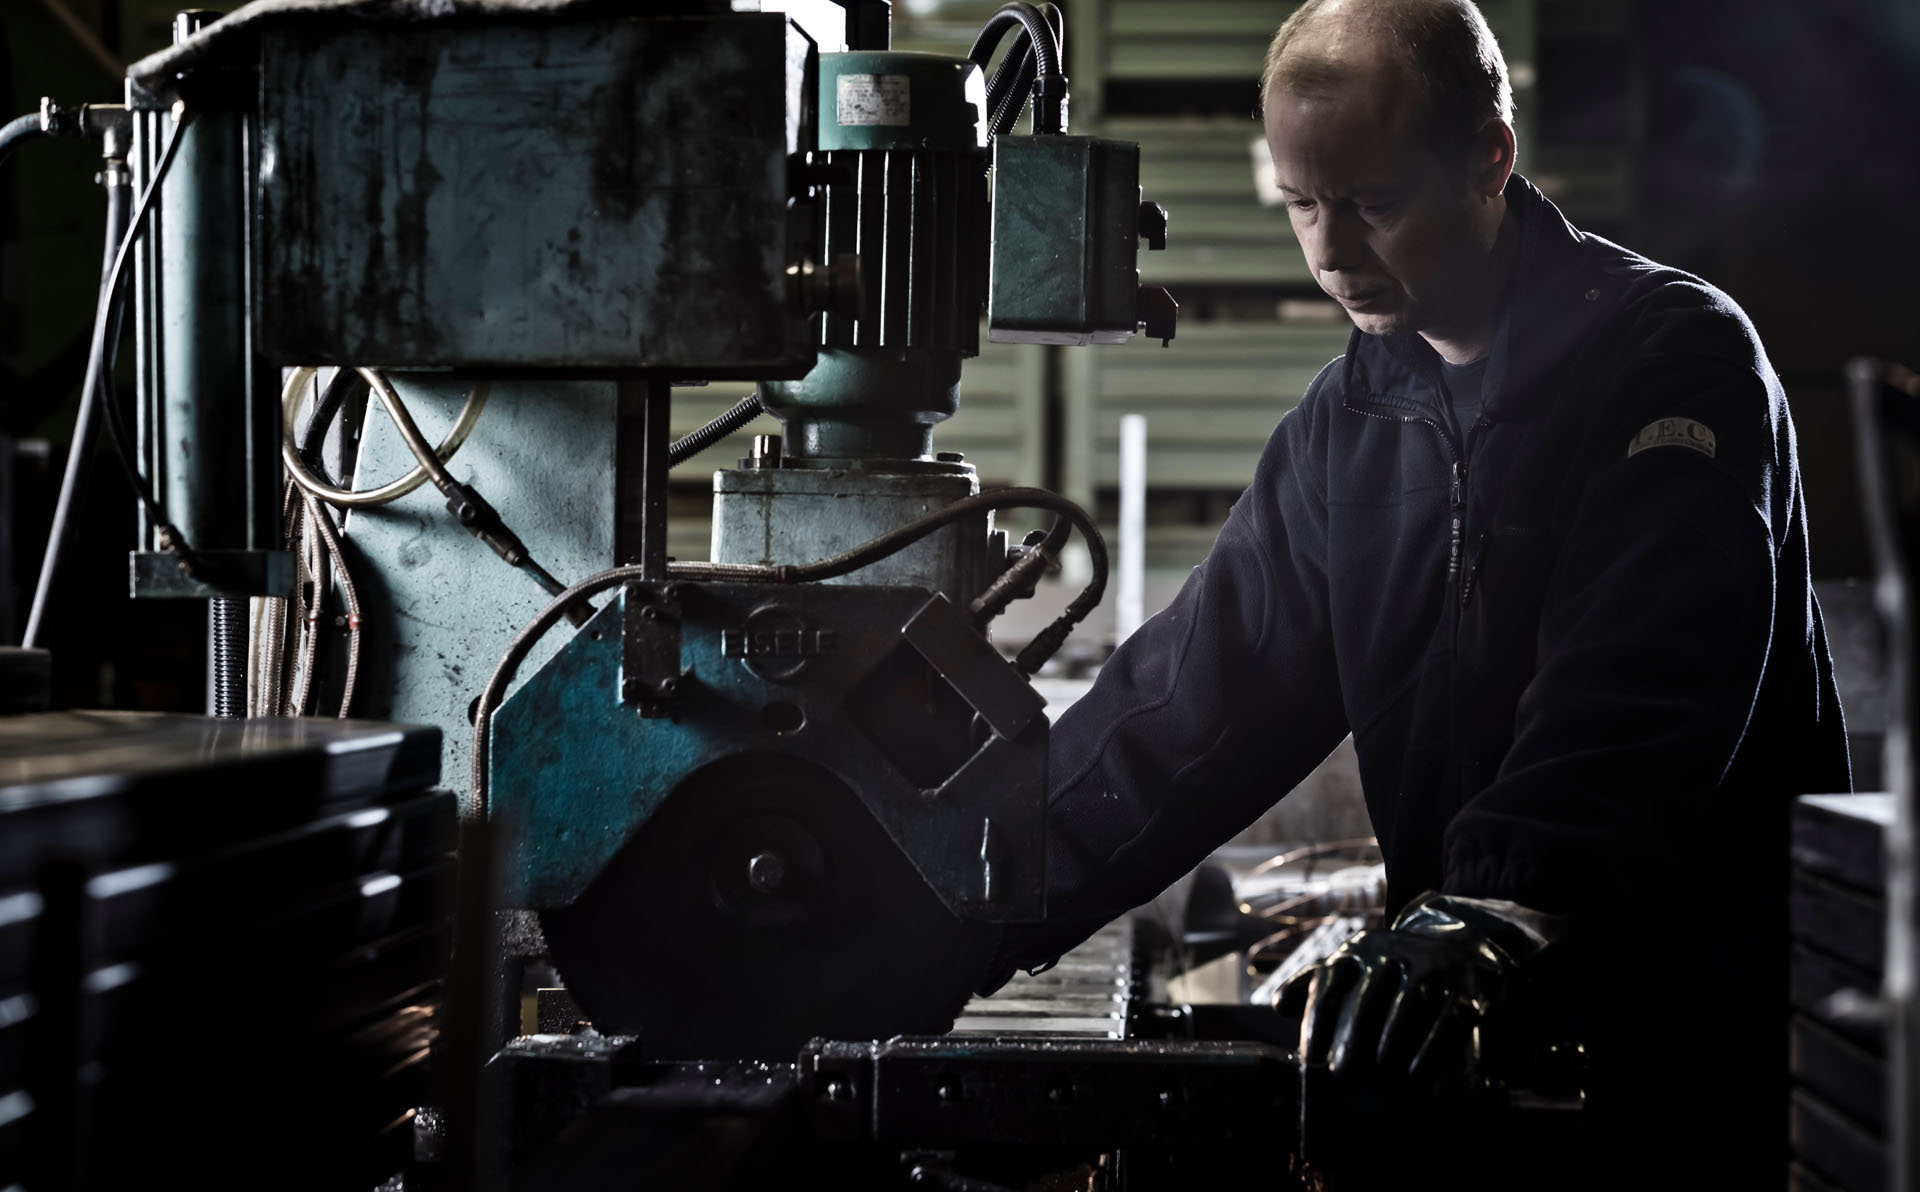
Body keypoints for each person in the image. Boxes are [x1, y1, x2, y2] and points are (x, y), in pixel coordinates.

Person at [989, 0, 1851, 1183]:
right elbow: (1185, 706)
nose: (1331, 250)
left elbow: (1645, 685)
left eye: (1373, 203)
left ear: (1490, 158)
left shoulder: (1673, 358)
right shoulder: (1348, 427)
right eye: (1301, 202)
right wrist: (971, 891)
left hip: (1675, 1058)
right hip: (1466, 1054)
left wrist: (1483, 912)